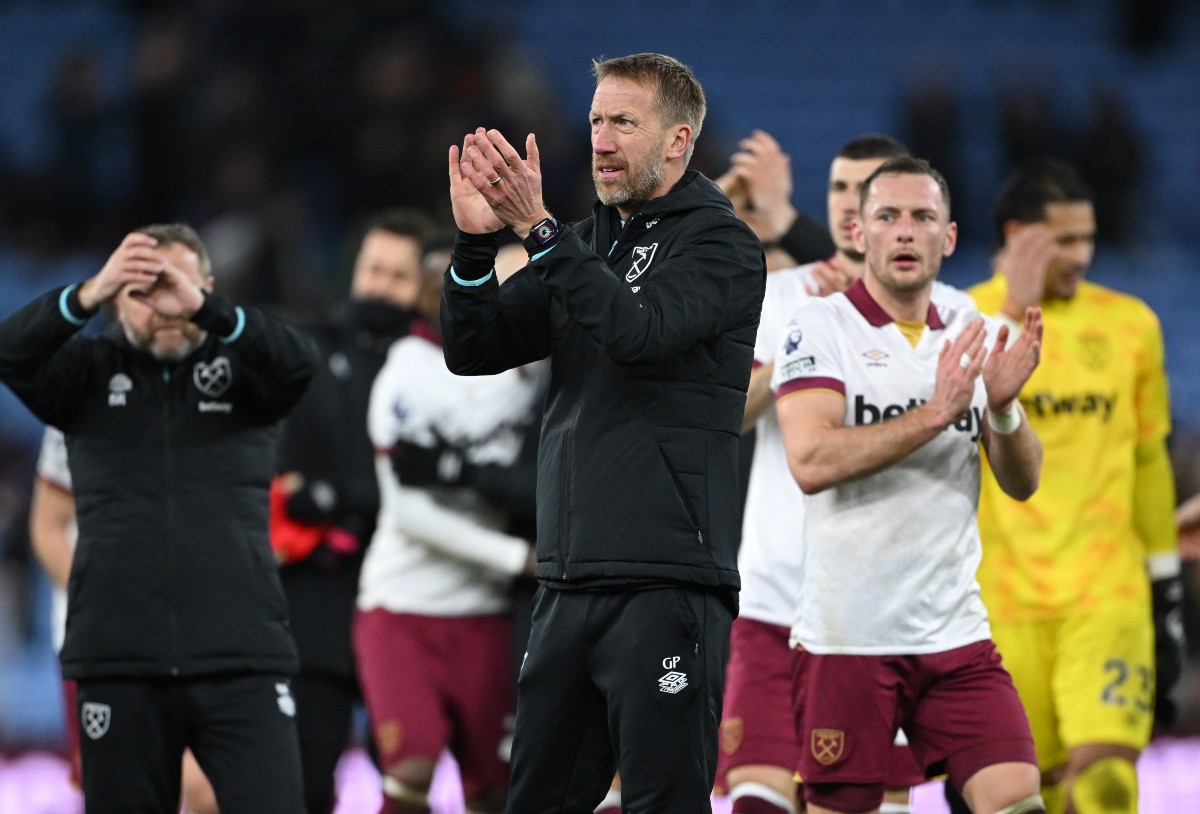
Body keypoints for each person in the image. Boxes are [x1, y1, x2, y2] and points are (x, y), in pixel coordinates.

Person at [441, 52, 765, 812]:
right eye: (595, 121)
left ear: (679, 141)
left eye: (625, 122)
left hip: (666, 583)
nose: (602, 139)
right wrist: (475, 245)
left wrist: (541, 230)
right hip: (567, 584)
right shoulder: (586, 245)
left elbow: (638, 332)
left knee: (662, 802)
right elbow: (473, 347)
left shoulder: (719, 244)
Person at [0, 224, 317, 813]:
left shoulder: (245, 373)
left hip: (242, 660)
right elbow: (10, 352)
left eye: (178, 287)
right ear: (116, 299)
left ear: (209, 290)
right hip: (119, 663)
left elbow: (301, 363)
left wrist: (204, 310)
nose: (165, 306)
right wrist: (86, 294)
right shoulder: (84, 376)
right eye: (143, 289)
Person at [774, 157, 1046, 814]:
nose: (904, 232)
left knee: (1018, 802)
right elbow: (811, 460)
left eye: (922, 217)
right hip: (849, 637)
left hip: (954, 633)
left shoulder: (973, 325)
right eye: (887, 217)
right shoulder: (820, 326)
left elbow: (1023, 481)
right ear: (860, 234)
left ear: (948, 238)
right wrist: (937, 413)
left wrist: (1004, 411)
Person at [716, 134, 969, 814]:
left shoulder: (941, 315)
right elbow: (722, 416)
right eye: (837, 190)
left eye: (867, 194)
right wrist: (792, 356)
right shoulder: (774, 296)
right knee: (756, 802)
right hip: (772, 603)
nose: (849, 207)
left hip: (880, 617)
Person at [956, 159, 1184, 814]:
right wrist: (1008, 307)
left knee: (1107, 780)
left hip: (1105, 592)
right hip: (999, 598)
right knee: (1032, 795)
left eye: (1088, 238)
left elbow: (1147, 462)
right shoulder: (962, 315)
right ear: (1018, 235)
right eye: (1064, 240)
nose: (1082, 254)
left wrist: (1164, 582)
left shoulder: (1130, 325)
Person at [354, 258, 540, 814]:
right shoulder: (406, 373)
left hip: (487, 614)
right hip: (404, 606)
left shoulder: (529, 368)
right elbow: (409, 513)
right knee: (410, 771)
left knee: (494, 789)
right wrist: (516, 556)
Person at [270, 208, 434, 814]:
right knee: (305, 785)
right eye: (373, 269)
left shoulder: (442, 363)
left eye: (398, 274)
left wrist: (337, 496)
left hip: (410, 599)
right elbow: (283, 477)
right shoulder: (304, 349)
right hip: (313, 602)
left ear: (424, 284)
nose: (381, 285)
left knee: (407, 779)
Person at [30, 426, 219, 814]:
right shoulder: (77, 405)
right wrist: (109, 612)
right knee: (124, 792)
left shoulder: (199, 400)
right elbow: (47, 529)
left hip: (189, 632)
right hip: (102, 645)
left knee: (206, 790)